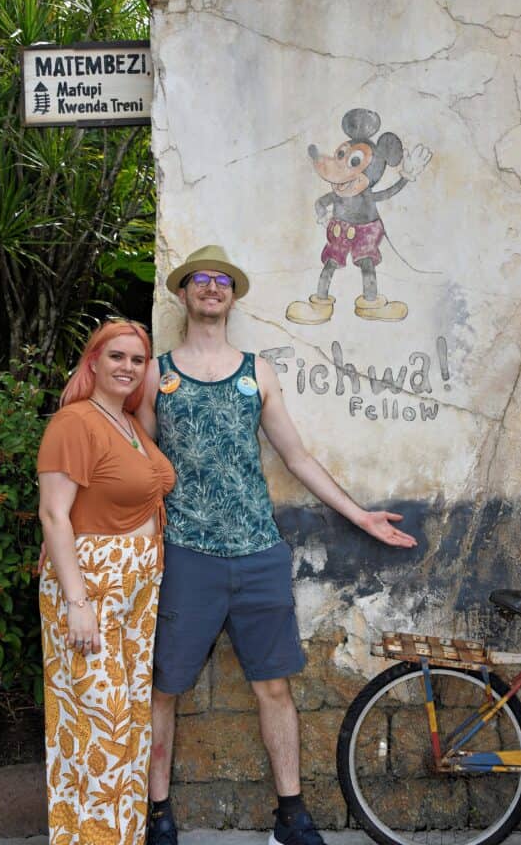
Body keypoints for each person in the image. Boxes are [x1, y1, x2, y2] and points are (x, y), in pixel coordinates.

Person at [137, 245, 417, 845]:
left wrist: (360, 516)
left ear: (231, 296)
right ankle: (157, 814)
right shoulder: (155, 375)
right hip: (186, 554)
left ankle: (291, 816)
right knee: (164, 687)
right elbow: (137, 466)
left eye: (222, 281)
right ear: (183, 294)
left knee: (274, 686)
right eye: (200, 280)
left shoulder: (257, 371)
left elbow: (298, 457)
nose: (211, 288)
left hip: (259, 551)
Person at [37, 320, 176, 845]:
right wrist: (77, 603)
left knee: (131, 721)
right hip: (90, 583)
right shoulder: (74, 424)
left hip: (139, 584)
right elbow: (54, 517)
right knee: (100, 720)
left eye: (138, 360)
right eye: (117, 356)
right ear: (92, 361)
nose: (128, 367)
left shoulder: (128, 424)